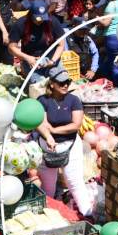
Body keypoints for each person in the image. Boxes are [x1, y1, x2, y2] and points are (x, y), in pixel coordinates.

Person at [35, 67, 93, 217]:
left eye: (67, 82)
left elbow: (76, 124)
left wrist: (53, 131)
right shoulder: (43, 101)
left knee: (75, 182)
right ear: (52, 84)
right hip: (48, 147)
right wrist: (48, 137)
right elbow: (41, 123)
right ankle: (47, 216)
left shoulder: (74, 100)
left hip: (71, 145)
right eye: (61, 83)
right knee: (48, 185)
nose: (65, 85)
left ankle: (88, 214)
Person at [8, 0, 65, 83]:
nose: (40, 21)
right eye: (37, 19)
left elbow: (61, 44)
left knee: (61, 82)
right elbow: (11, 48)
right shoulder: (21, 23)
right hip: (31, 61)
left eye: (43, 18)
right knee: (40, 86)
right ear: (31, 14)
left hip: (51, 59)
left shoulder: (52, 21)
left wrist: (53, 61)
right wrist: (27, 58)